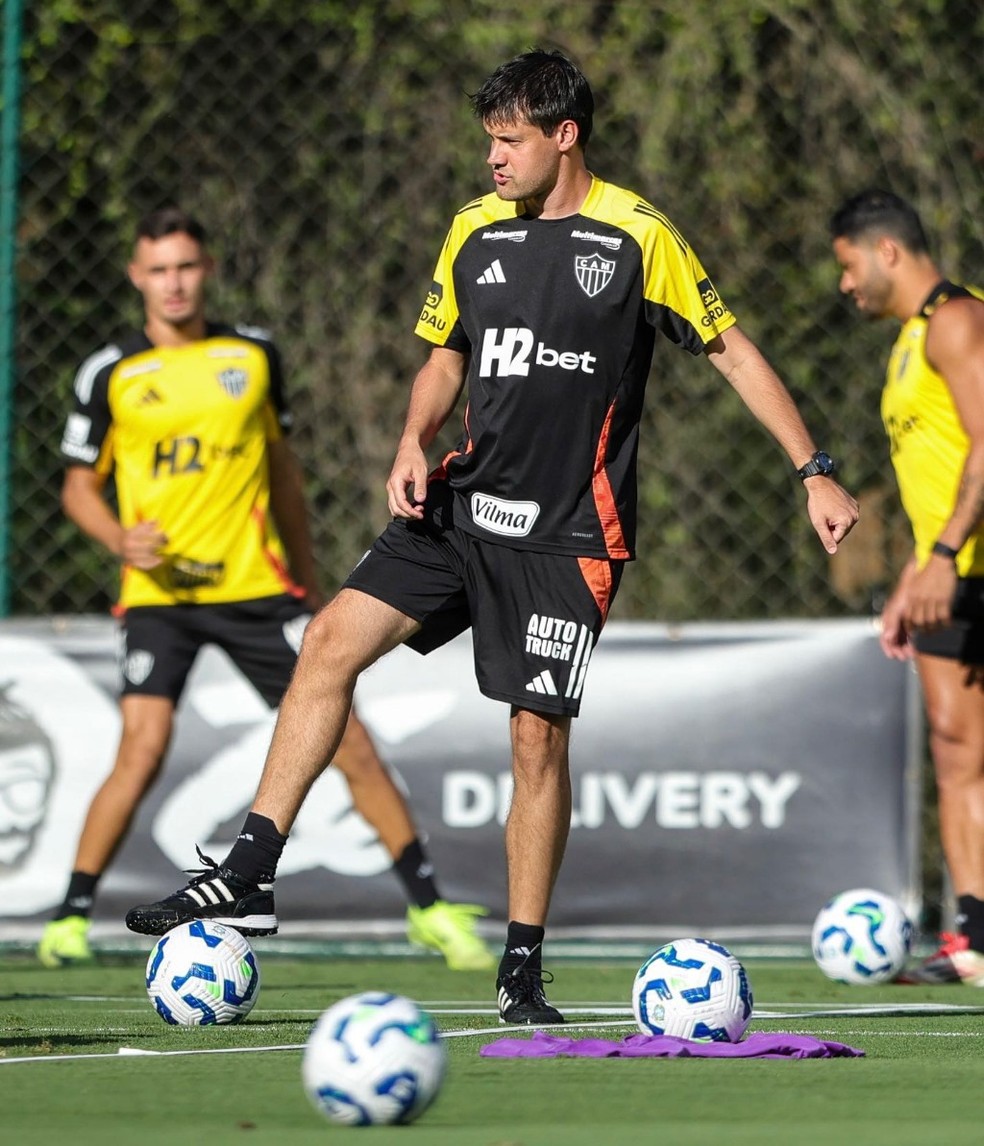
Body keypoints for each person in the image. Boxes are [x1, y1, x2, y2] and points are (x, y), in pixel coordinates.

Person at [125, 52, 859, 1023]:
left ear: (566, 135)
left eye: (509, 140)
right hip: (463, 508)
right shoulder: (474, 230)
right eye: (488, 140)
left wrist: (813, 470)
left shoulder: (639, 236)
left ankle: (521, 967)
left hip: (567, 535)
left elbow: (730, 351)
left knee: (535, 742)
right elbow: (445, 356)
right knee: (328, 645)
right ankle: (252, 871)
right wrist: (411, 436)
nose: (493, 159)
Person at [39, 206, 493, 973]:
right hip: (159, 594)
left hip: (259, 588)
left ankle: (431, 908)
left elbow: (283, 474)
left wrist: (312, 581)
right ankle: (71, 917)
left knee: (348, 738)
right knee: (141, 749)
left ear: (206, 269)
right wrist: (120, 539)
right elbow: (78, 487)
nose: (174, 282)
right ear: (136, 277)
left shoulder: (253, 355)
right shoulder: (110, 371)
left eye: (186, 266)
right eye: (158, 269)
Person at [830, 189, 984, 986]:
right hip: (947, 572)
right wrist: (912, 573)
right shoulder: (906, 343)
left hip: (969, 562)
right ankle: (975, 943)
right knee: (958, 751)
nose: (846, 285)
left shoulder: (958, 319)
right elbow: (940, 470)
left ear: (886, 250)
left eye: (848, 266)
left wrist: (948, 550)